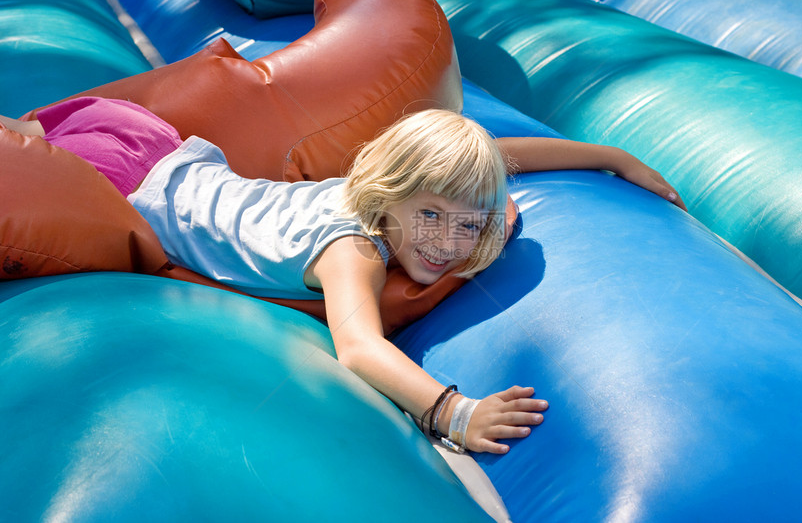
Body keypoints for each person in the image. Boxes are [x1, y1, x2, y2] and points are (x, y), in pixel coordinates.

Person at [1, 96, 685, 454]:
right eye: (431, 218)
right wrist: (455, 411)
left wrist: (613, 156)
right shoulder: (352, 248)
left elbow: (502, 156)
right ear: (390, 198)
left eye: (470, 225)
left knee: (26, 130)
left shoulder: (403, 196)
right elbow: (358, 346)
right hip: (123, 176)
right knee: (19, 144)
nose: (448, 244)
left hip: (162, 146)